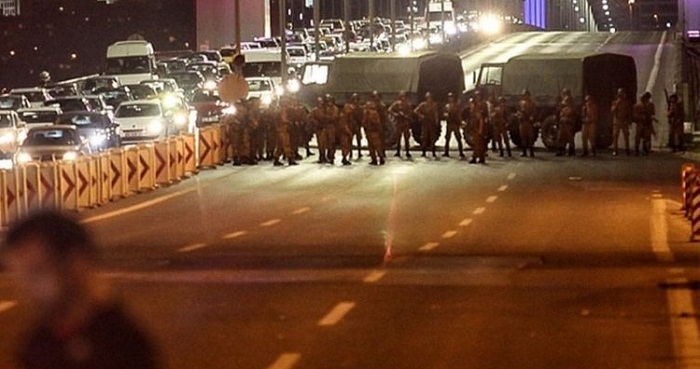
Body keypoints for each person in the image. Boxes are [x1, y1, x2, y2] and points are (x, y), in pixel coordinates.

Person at [0, 210, 159, 369]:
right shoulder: (37, 344)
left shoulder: (121, 345)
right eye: (22, 277)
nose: (26, 288)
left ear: (76, 264)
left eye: (37, 272)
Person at [388, 91, 413, 158]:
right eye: (401, 96)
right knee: (398, 138)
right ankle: (398, 152)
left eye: (404, 96)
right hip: (399, 123)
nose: (403, 98)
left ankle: (407, 152)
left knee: (406, 138)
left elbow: (410, 113)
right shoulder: (396, 104)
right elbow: (390, 110)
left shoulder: (408, 104)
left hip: (405, 123)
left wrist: (405, 116)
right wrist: (395, 114)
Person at [414, 92, 439, 158]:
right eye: (428, 97)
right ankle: (423, 152)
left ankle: (433, 152)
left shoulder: (433, 105)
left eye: (430, 97)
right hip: (425, 124)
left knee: (432, 138)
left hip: (431, 123)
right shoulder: (423, 105)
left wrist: (436, 122)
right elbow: (416, 111)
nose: (429, 99)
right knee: (424, 137)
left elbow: (435, 114)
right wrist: (421, 116)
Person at [633, 92, 657, 156]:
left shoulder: (651, 105)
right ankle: (637, 150)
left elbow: (652, 113)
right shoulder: (638, 106)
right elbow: (635, 115)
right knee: (638, 137)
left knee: (646, 137)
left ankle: (645, 150)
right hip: (640, 123)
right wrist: (641, 117)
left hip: (648, 123)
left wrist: (652, 117)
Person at [467, 92, 488, 164]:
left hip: (479, 127)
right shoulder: (474, 108)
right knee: (477, 143)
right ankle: (480, 158)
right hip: (474, 126)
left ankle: (475, 157)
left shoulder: (481, 106)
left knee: (478, 143)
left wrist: (480, 129)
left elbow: (481, 118)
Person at [443, 92, 465, 158]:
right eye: (449, 97)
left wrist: (460, 122)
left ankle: (461, 152)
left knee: (458, 138)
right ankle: (446, 152)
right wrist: (445, 115)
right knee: (447, 138)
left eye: (451, 97)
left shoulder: (456, 106)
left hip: (455, 123)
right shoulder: (447, 106)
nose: (450, 99)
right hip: (449, 123)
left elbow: (459, 114)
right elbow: (444, 113)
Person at [611, 88, 633, 156]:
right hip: (617, 121)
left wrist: (629, 121)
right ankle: (615, 150)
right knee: (615, 136)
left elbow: (629, 112)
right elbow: (612, 111)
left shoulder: (627, 103)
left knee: (626, 136)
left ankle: (627, 150)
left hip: (624, 121)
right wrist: (616, 104)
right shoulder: (615, 102)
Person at [363, 100, 385, 165]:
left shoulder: (372, 113)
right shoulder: (370, 113)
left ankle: (378, 159)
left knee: (375, 146)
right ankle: (377, 159)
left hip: (373, 132)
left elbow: (376, 123)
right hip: (371, 132)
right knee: (374, 146)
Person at [555, 88, 576, 157]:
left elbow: (571, 115)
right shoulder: (564, 108)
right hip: (563, 124)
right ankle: (561, 150)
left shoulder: (571, 107)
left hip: (568, 124)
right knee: (561, 137)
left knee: (570, 137)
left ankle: (571, 150)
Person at [517, 89, 536, 157]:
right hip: (522, 122)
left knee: (530, 137)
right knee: (523, 137)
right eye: (524, 95)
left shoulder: (532, 103)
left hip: (528, 122)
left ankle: (531, 152)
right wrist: (520, 115)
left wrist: (532, 117)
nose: (525, 96)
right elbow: (518, 111)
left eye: (526, 95)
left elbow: (534, 112)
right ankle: (524, 152)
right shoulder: (520, 103)